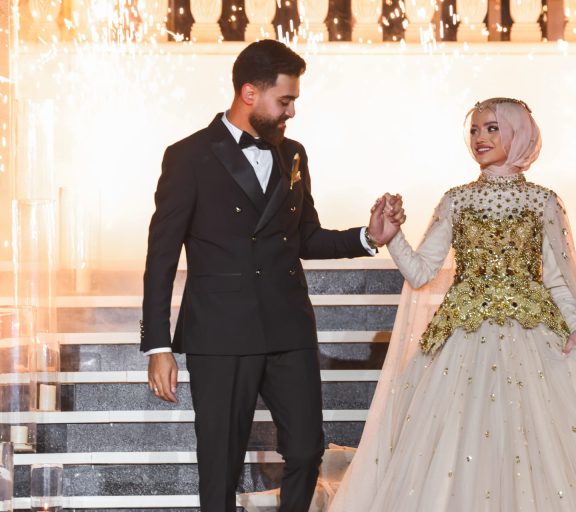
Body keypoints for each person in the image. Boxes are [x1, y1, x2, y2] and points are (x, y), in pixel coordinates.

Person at [329, 98, 576, 511]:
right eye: (475, 130)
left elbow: (559, 277)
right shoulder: (456, 200)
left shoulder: (543, 201)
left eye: (492, 128)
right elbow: (420, 273)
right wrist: (392, 238)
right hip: (462, 340)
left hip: (532, 336)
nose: (480, 138)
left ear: (519, 132)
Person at [140, 40, 405, 512]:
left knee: (306, 450)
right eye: (285, 100)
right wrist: (158, 346)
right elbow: (161, 256)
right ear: (249, 93)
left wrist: (368, 236)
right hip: (220, 333)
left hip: (288, 327)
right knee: (219, 465)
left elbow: (305, 237)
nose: (292, 112)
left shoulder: (293, 154)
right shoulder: (188, 156)